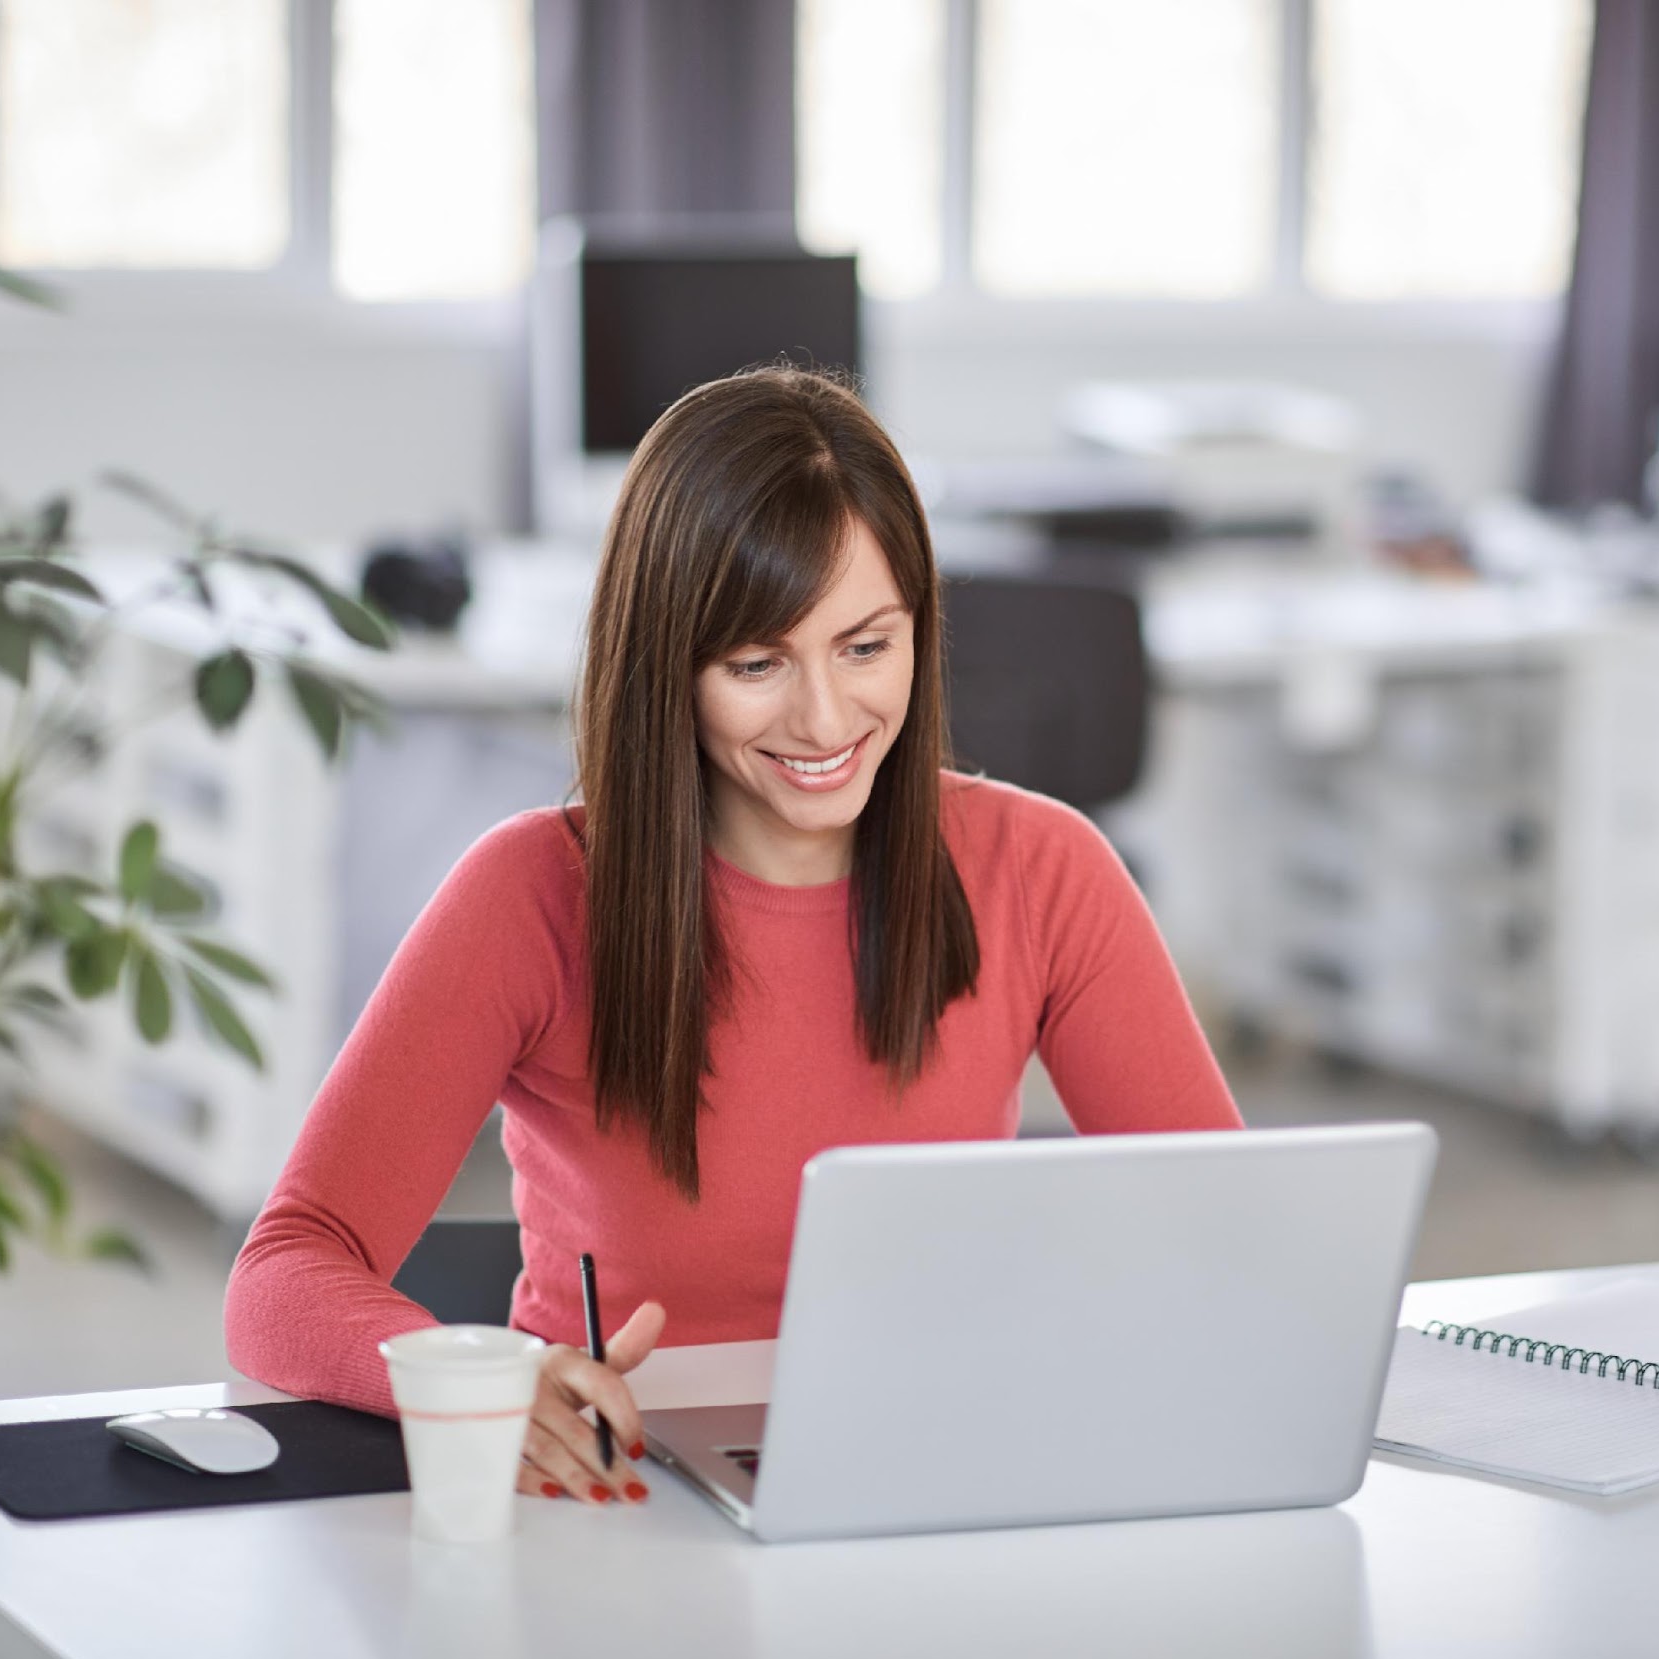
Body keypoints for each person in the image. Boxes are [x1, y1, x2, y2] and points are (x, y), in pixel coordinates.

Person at [224, 368, 1243, 1507]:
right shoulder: (531, 892)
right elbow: (285, 1273)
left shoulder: (1042, 868)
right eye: (758, 664)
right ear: (666, 664)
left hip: (937, 1484)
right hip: (618, 1499)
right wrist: (488, 1381)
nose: (823, 719)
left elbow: (1230, 1241)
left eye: (866, 647)